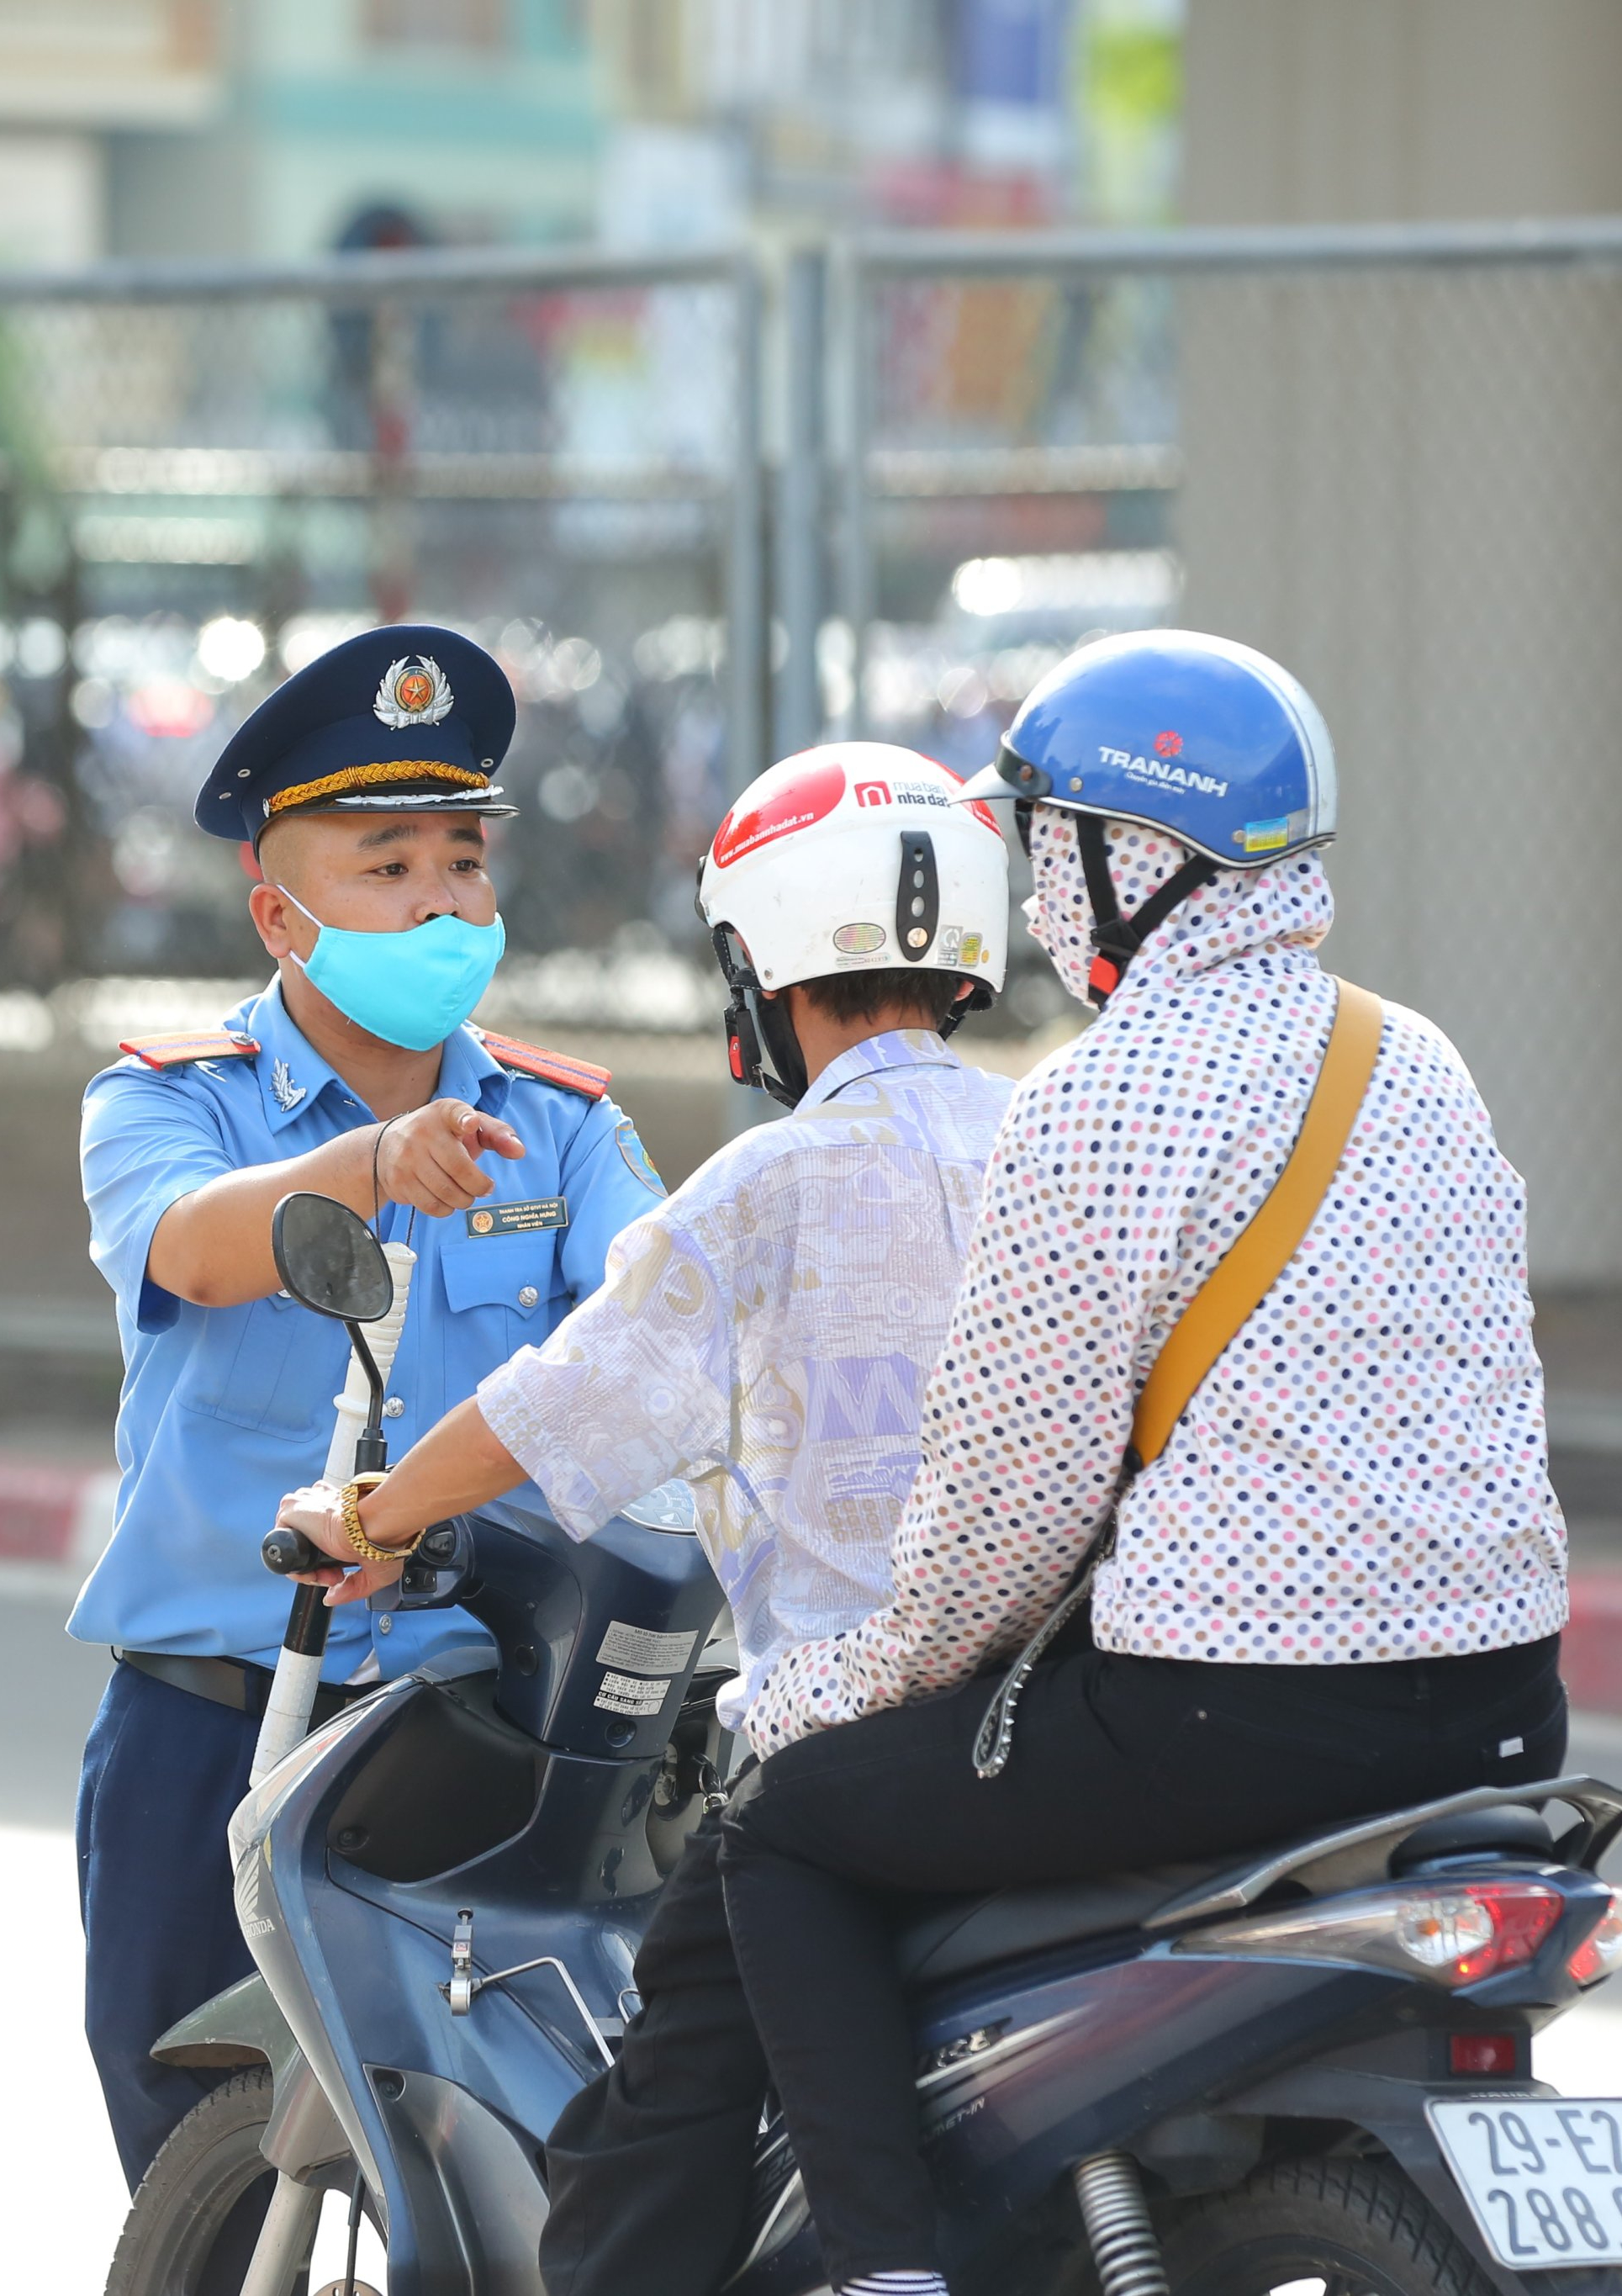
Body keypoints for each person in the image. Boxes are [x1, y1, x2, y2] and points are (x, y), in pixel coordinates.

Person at [715, 631, 1573, 2296]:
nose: (1033, 895)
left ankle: (886, 2272)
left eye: (1046, 846)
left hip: (1231, 1718)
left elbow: (997, 1526)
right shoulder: (1419, 1061)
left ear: (1134, 859)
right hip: (1497, 1709)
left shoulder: (1092, 1100)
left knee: (794, 1825)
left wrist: (819, 1693)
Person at [273, 743, 1017, 2296]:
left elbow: (561, 1400)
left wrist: (378, 1510)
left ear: (763, 966)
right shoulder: (1056, 1143)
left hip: (843, 1754)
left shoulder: (768, 1187)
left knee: (643, 2156)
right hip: (1057, 1737)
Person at [72, 624, 668, 2187]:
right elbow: (194, 1248)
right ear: (281, 913)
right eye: (386, 864)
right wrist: (363, 1168)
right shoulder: (165, 1094)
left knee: (484, 2154)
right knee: (198, 2145)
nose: (441, 900)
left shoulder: (563, 1124)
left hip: (467, 1732)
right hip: (213, 1721)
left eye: (463, 861)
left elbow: (662, 1316)